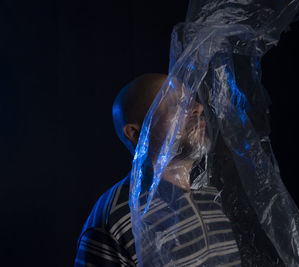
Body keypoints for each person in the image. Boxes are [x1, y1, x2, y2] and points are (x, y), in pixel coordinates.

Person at [74, 73, 243, 266]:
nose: (197, 108)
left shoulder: (211, 195)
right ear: (136, 133)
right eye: (177, 105)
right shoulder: (115, 219)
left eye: (191, 100)